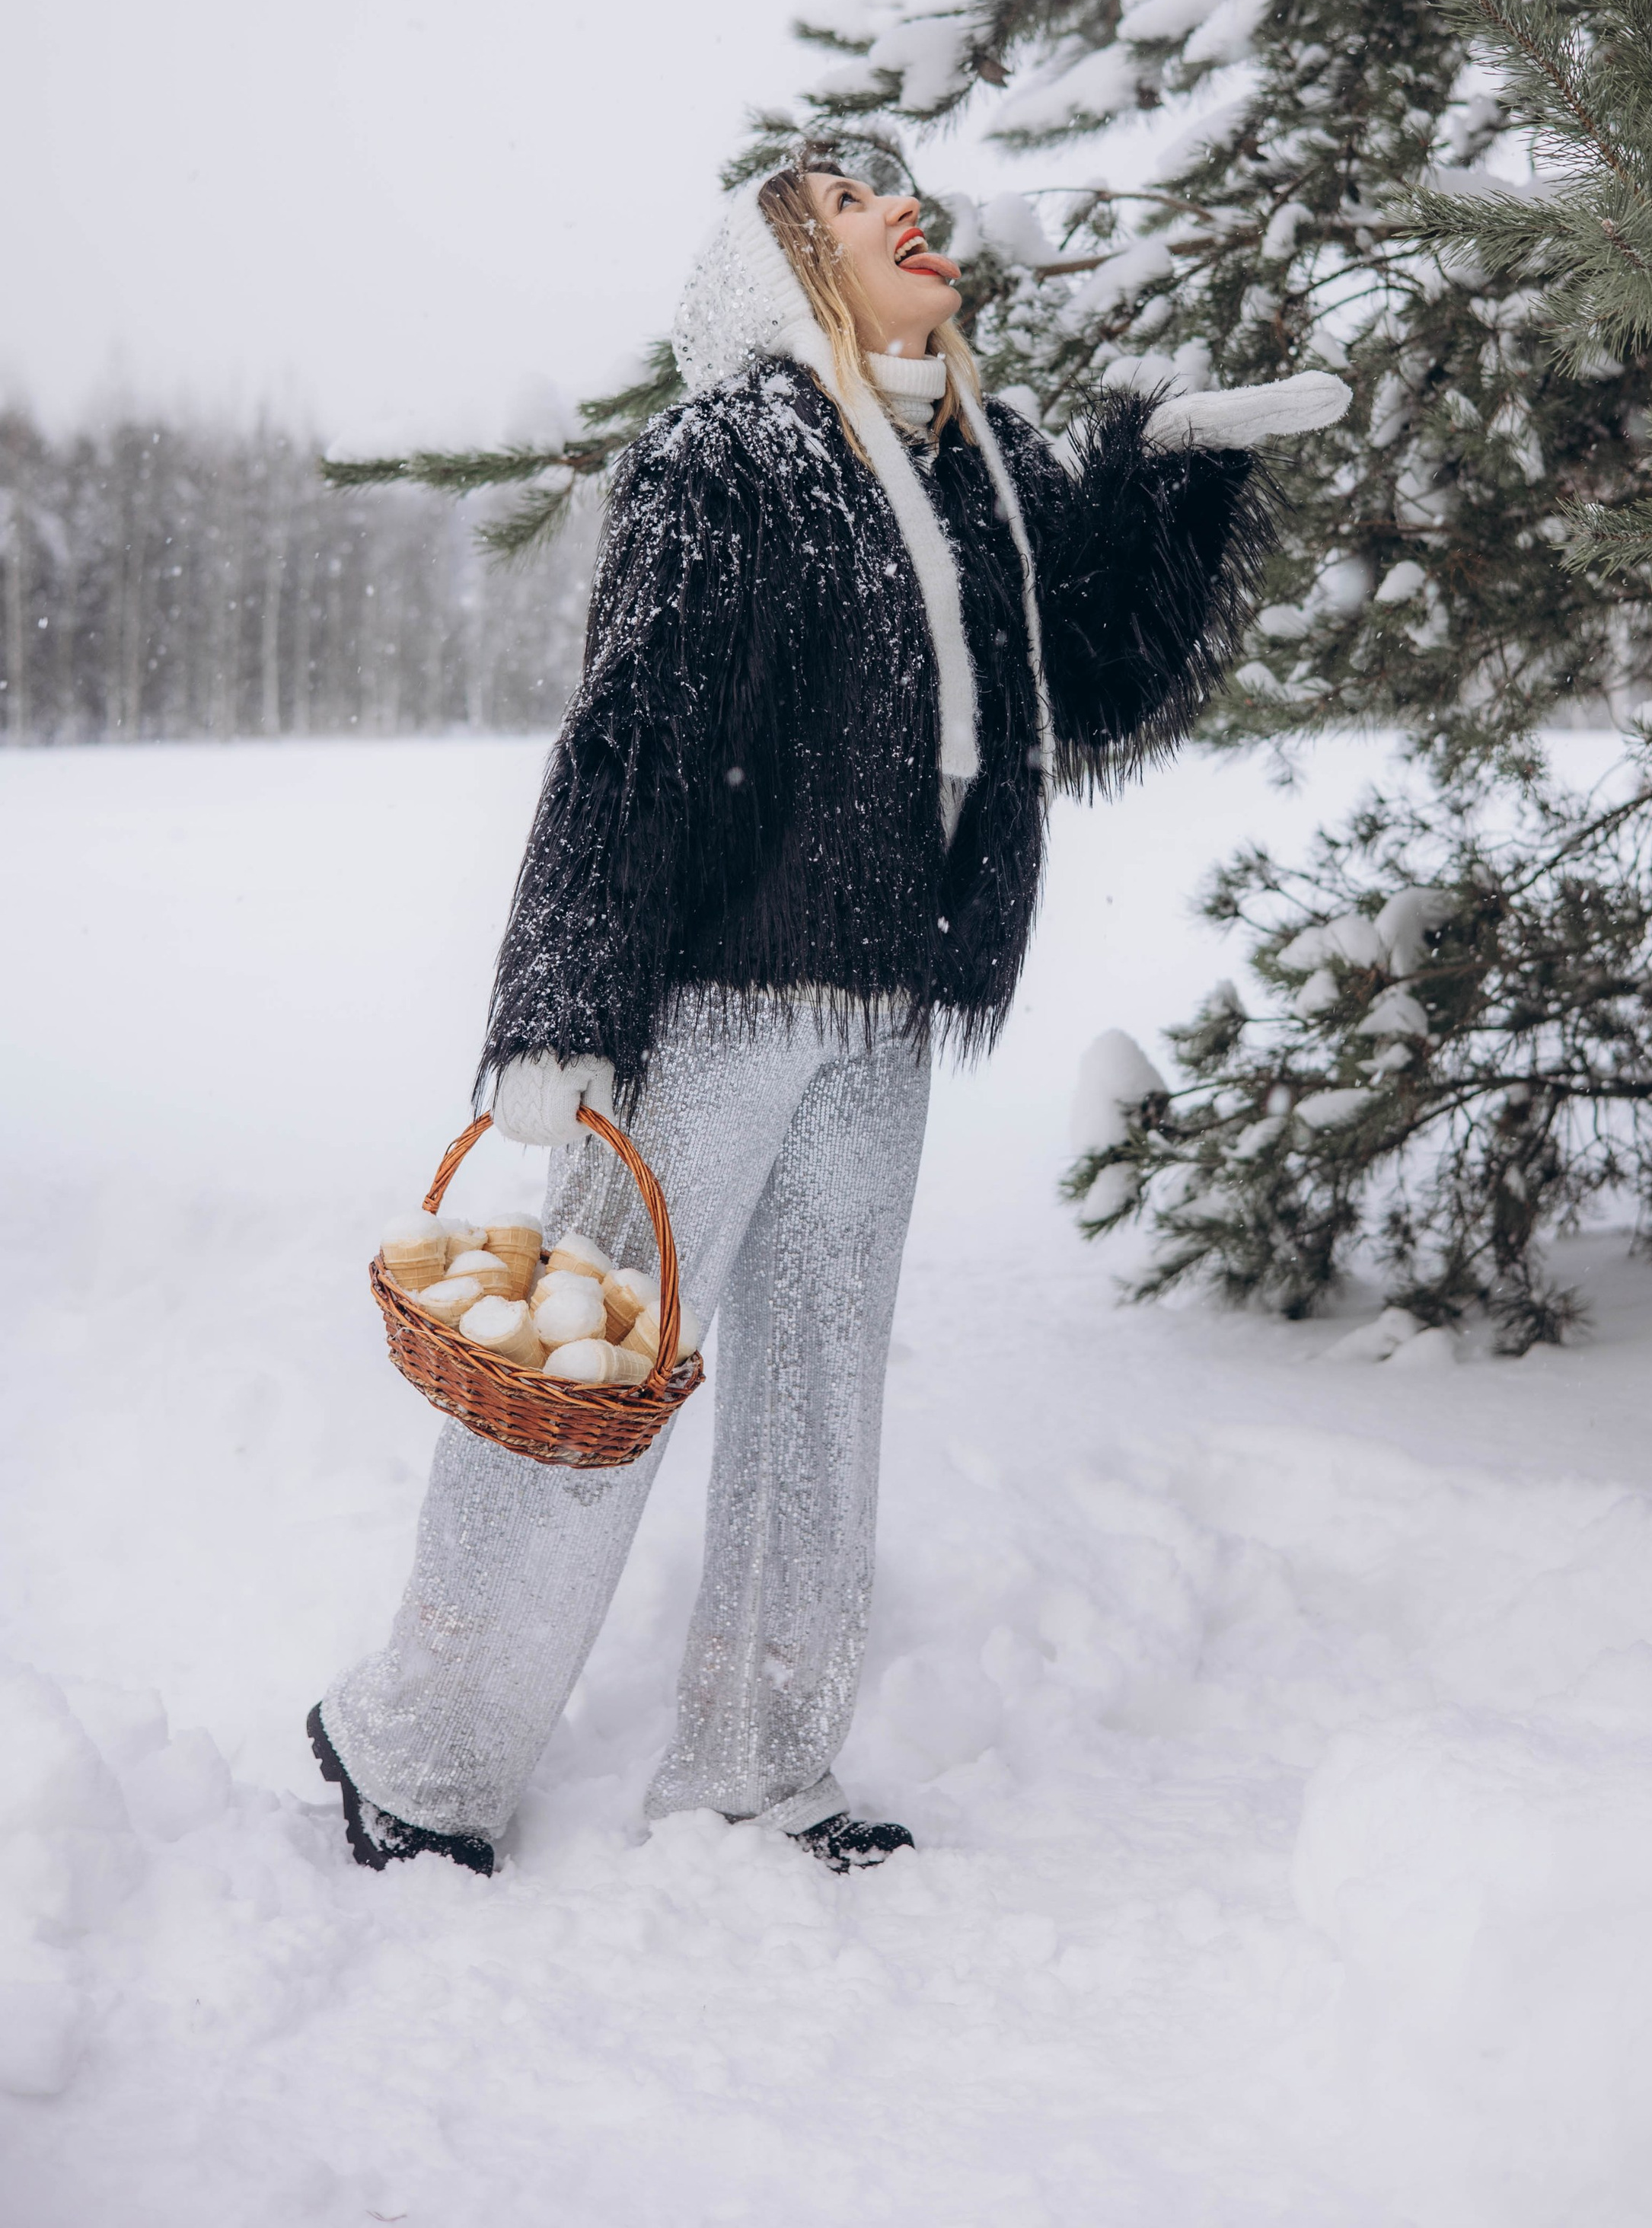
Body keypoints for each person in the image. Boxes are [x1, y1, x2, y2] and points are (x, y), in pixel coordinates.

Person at [308, 152, 1348, 1875]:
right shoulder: (731, 456)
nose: (898, 203)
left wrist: (1171, 472)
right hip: (712, 1000)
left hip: (887, 1009)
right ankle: (415, 1751)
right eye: (851, 196)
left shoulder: (975, 474)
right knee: (580, 1381)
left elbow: (1084, 678)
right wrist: (565, 1008)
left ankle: (753, 1769)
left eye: (900, 187)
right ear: (784, 264)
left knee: (816, 1400)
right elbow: (631, 737)